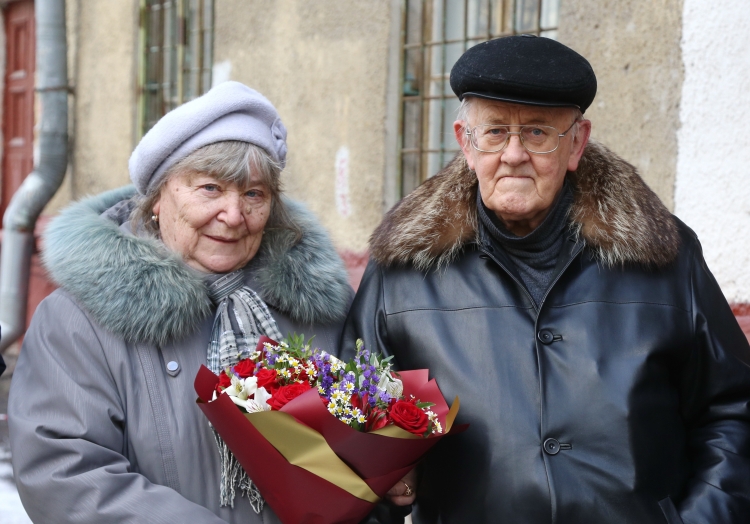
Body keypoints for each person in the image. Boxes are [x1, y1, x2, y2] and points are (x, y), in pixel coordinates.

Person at [343, 35, 750, 523]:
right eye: (494, 132)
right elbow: (359, 428)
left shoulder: (665, 255)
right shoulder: (404, 267)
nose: (514, 154)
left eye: (537, 133)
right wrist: (389, 487)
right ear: (465, 143)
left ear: (576, 143)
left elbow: (732, 410)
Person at [8, 82, 353, 523]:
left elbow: (359, 448)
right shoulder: (77, 321)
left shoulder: (320, 308)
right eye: (210, 189)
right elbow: (66, 474)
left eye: (254, 195)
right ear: (157, 199)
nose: (233, 215)